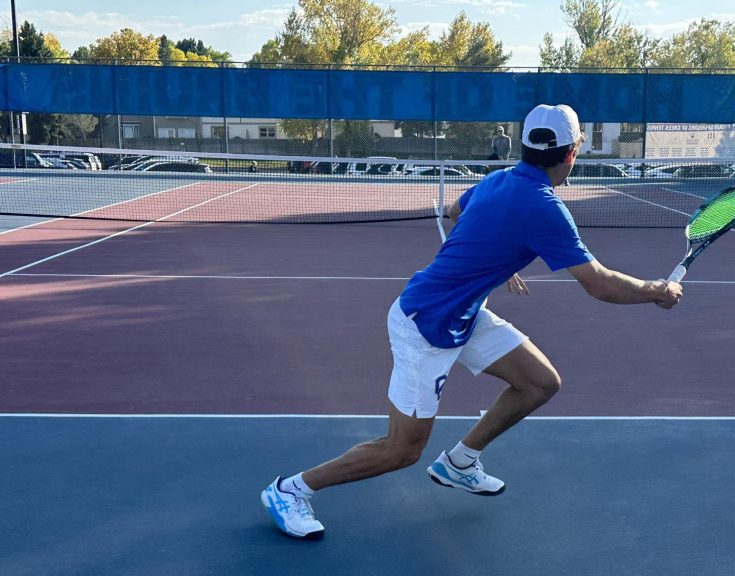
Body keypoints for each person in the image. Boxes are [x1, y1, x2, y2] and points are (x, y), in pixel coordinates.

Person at [262, 104, 683, 540]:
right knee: (401, 450)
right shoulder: (544, 208)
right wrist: (656, 291)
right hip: (425, 325)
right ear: (572, 153)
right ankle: (290, 490)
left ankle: (460, 462)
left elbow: (453, 213)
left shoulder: (499, 179)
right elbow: (600, 284)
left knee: (539, 382)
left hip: (461, 314)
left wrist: (500, 257)